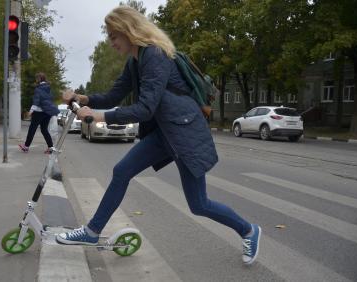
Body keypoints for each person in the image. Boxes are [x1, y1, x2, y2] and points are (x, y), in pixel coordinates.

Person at [57, 6, 261, 265]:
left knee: (199, 204)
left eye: (113, 36)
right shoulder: (135, 60)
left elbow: (144, 108)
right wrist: (82, 98)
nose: (111, 43)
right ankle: (91, 232)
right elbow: (112, 96)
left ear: (127, 31)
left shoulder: (154, 55)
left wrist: (99, 116)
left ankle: (249, 230)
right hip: (166, 132)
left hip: (185, 133)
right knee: (122, 171)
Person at [19, 72, 59, 154]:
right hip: (47, 112)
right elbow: (50, 100)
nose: (36, 80)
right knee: (44, 130)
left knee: (32, 129)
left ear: (39, 79)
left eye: (36, 78)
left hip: (39, 112)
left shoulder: (38, 89)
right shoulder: (48, 88)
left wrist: (30, 111)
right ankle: (50, 147)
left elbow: (36, 101)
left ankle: (26, 146)